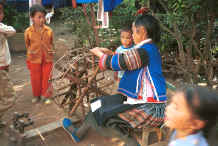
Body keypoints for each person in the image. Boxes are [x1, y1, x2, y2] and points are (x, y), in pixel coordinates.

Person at [62, 14, 167, 146]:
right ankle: (78, 133)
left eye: (134, 31)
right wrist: (109, 53)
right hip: (139, 100)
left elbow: (122, 62)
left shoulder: (145, 51)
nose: (132, 35)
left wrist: (100, 55)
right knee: (98, 104)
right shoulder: (146, 49)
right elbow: (128, 59)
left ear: (143, 32)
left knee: (110, 120)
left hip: (149, 107)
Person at [24, 4, 54, 104]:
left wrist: (51, 51)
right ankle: (36, 95)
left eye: (43, 17)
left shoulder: (49, 31)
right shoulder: (28, 32)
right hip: (34, 58)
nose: (42, 20)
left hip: (47, 58)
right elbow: (27, 44)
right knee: (35, 78)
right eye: (39, 17)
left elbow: (52, 43)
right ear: (32, 18)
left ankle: (46, 95)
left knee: (47, 77)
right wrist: (31, 54)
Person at [0, 1, 16, 130]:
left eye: (1, 11)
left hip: (3, 67)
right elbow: (12, 31)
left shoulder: (1, 27)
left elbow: (11, 31)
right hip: (0, 69)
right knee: (10, 97)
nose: (1, 14)